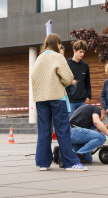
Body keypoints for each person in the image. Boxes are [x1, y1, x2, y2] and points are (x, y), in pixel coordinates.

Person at [31, 33, 87, 171]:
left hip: (41, 99)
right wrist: (61, 82)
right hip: (57, 98)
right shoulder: (58, 57)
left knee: (44, 132)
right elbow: (68, 78)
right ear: (57, 44)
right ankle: (70, 163)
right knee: (62, 131)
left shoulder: (39, 58)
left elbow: (33, 75)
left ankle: (43, 163)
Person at [66, 40, 91, 120]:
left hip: (82, 102)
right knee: (69, 124)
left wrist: (88, 96)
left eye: (83, 52)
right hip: (70, 101)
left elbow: (87, 83)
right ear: (74, 50)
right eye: (80, 52)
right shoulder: (66, 64)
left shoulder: (85, 66)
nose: (82, 54)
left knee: (81, 124)